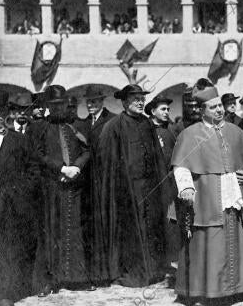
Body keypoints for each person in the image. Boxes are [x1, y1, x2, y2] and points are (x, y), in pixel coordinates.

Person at [171, 85, 243, 306]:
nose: (219, 110)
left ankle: (236, 289)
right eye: (213, 107)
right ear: (202, 110)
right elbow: (180, 167)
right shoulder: (190, 134)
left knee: (234, 239)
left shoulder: (235, 131)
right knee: (207, 241)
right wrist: (186, 188)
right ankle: (205, 291)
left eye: (220, 105)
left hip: (233, 194)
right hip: (206, 196)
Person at [96, 84, 173, 287]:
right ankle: (134, 272)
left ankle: (153, 269)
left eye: (142, 99)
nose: (140, 102)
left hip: (150, 187)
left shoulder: (147, 124)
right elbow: (107, 164)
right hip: (127, 192)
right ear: (124, 102)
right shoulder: (114, 126)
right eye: (135, 99)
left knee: (151, 228)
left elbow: (156, 156)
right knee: (132, 231)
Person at [32, 85, 93, 296]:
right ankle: (50, 280)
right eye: (55, 105)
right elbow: (37, 155)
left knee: (74, 231)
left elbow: (86, 150)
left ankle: (77, 277)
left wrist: (77, 166)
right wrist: (61, 168)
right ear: (48, 105)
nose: (60, 108)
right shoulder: (39, 127)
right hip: (52, 188)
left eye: (62, 104)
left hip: (74, 188)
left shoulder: (74, 125)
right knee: (52, 233)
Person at [0, 107, 37, 306]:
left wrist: (20, 191)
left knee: (8, 249)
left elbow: (33, 169)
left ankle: (5, 295)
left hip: (12, 205)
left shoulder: (18, 140)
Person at [74, 85, 116, 285]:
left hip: (106, 180)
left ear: (102, 101)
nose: (91, 105)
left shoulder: (112, 120)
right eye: (88, 101)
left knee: (106, 224)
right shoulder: (81, 124)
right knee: (89, 225)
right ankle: (92, 270)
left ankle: (107, 272)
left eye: (95, 101)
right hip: (86, 182)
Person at [145, 94, 180, 278]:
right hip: (152, 184)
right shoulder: (146, 130)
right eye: (163, 109)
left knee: (169, 221)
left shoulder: (170, 131)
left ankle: (169, 260)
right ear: (152, 111)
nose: (166, 112)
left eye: (168, 109)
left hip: (169, 182)